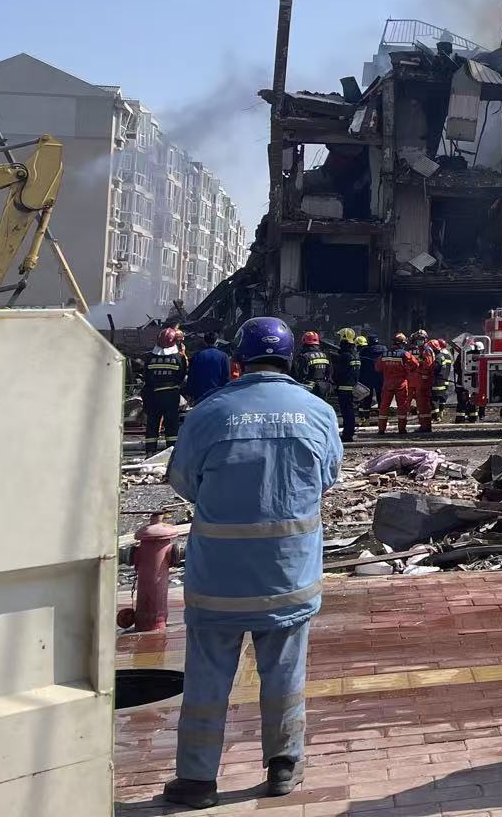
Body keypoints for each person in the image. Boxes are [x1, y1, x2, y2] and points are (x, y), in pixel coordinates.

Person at [161, 317, 341, 809]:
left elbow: (184, 480)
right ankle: (283, 764)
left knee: (206, 679)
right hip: (288, 575)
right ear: (291, 359)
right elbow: (326, 478)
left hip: (218, 578)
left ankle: (196, 779)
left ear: (238, 360)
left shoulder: (209, 412)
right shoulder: (318, 411)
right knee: (284, 675)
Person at [141, 326, 189, 453]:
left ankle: (150, 451)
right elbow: (181, 376)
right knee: (171, 424)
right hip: (171, 395)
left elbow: (146, 376)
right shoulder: (179, 358)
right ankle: (172, 450)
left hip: (153, 395)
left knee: (152, 423)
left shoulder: (149, 357)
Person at [375, 334, 412, 436]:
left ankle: (381, 429)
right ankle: (402, 429)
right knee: (402, 406)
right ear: (402, 344)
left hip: (387, 383)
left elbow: (377, 368)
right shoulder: (405, 354)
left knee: (384, 406)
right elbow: (415, 365)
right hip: (401, 384)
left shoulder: (384, 354)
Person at [185, 330, 231, 408]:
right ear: (216, 341)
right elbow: (226, 377)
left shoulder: (197, 356)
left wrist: (189, 393)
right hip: (217, 394)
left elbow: (192, 376)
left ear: (204, 341)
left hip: (199, 395)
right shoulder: (223, 356)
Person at [332, 328, 362, 443]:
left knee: (346, 413)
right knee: (350, 412)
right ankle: (349, 432)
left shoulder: (345, 356)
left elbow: (339, 372)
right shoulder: (355, 355)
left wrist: (334, 383)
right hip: (353, 388)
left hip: (344, 388)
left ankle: (347, 435)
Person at [406, 330, 436, 434]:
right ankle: (424, 425)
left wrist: (420, 371)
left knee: (423, 404)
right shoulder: (422, 350)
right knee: (421, 404)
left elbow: (428, 365)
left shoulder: (426, 350)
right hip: (422, 379)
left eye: (421, 339)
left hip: (424, 380)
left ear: (425, 339)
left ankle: (426, 426)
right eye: (418, 339)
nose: (419, 341)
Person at [294, 332, 333, 405]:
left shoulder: (304, 357)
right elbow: (330, 373)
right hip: (323, 389)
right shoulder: (325, 356)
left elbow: (300, 375)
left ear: (304, 341)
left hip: (309, 391)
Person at [431, 339, 455, 421]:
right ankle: (441, 414)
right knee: (442, 398)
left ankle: (436, 417)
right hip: (446, 379)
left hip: (438, 381)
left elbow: (436, 368)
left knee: (435, 399)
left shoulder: (439, 356)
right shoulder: (448, 356)